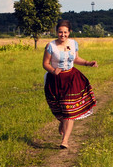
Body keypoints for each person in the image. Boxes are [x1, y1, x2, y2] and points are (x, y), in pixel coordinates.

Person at [42, 20, 98, 148]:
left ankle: (65, 141)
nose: (63, 35)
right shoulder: (50, 46)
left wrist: (88, 63)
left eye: (65, 32)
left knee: (69, 109)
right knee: (59, 107)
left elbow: (76, 59)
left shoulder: (73, 44)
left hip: (71, 78)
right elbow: (45, 63)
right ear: (56, 32)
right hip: (55, 80)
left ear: (69, 32)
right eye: (60, 32)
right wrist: (52, 70)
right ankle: (62, 121)